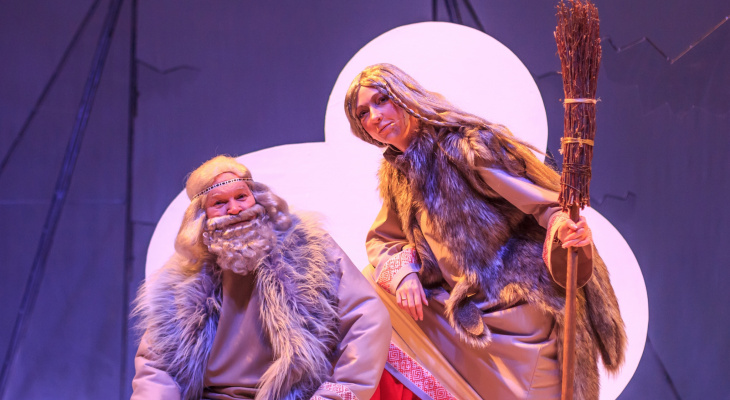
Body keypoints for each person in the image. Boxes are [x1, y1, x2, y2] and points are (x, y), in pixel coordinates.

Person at [344, 63, 626, 399]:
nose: (375, 116)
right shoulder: (396, 172)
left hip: (510, 298)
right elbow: (383, 238)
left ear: (404, 95)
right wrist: (403, 275)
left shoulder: (465, 146)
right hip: (458, 300)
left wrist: (564, 225)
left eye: (382, 100)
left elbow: (544, 203)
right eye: (363, 113)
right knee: (371, 289)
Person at [131, 155, 391, 400]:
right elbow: (158, 365)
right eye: (219, 203)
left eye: (241, 197)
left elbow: (366, 319)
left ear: (258, 198)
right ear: (200, 217)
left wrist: (335, 395)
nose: (235, 209)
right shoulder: (182, 278)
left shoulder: (310, 249)